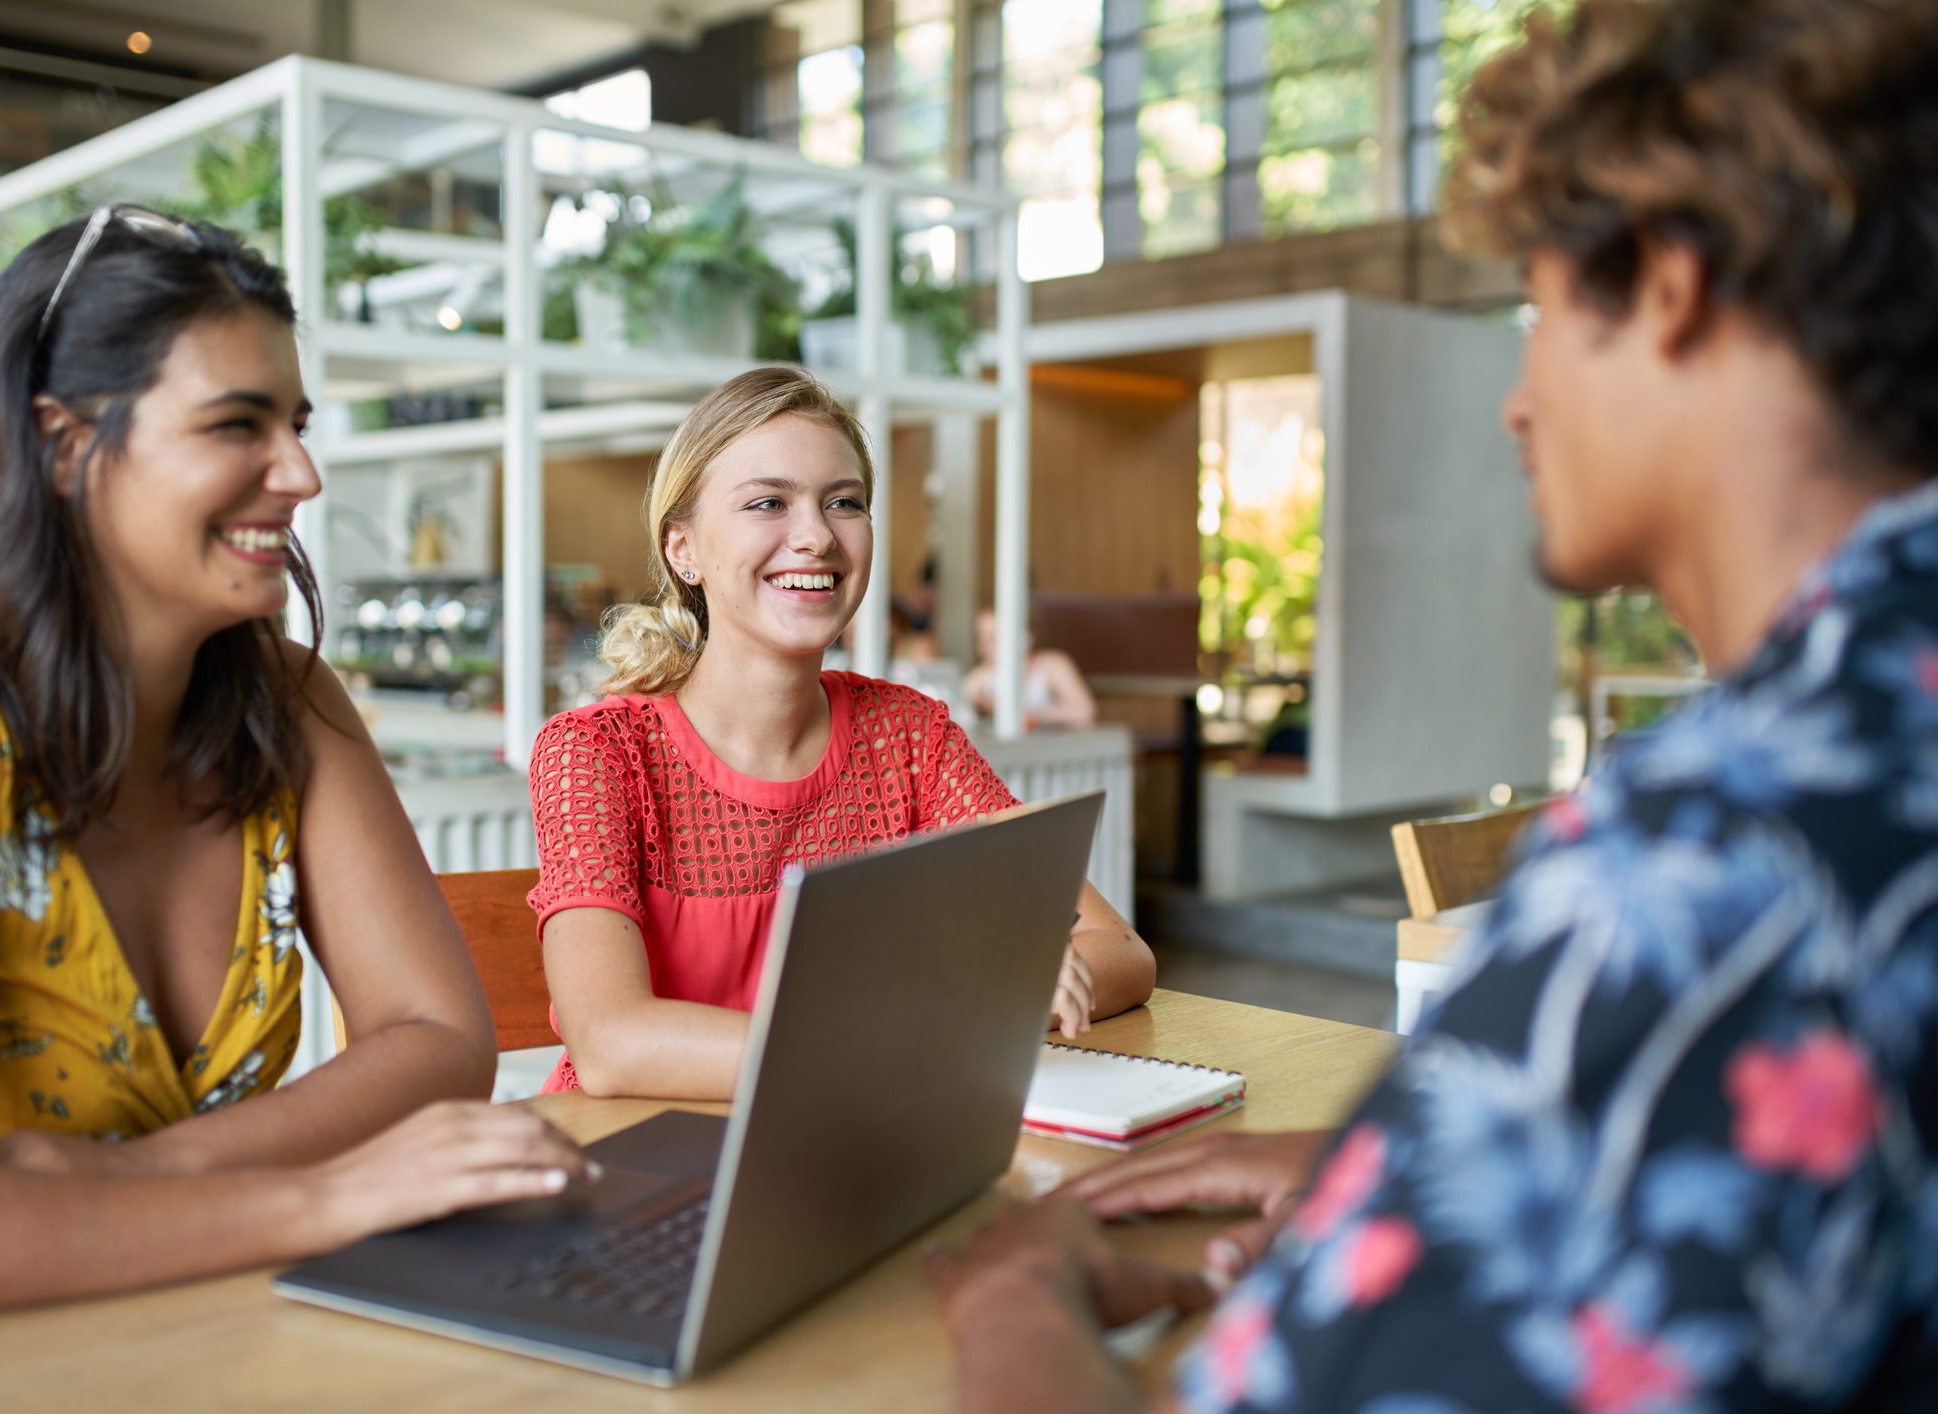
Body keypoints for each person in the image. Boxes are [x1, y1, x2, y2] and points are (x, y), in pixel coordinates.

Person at [929, 1, 1938, 1409]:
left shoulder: (1720, 847)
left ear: (1671, 280)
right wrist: (1428, 1166)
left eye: (1540, 308)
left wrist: (1015, 1293)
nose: (1518, 402)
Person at [0, 206, 589, 1329]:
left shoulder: (286, 703)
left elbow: (440, 1040)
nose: (303, 474)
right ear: (65, 446)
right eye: (239, 424)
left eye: (297, 422)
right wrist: (319, 1192)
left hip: (222, 1344)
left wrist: (141, 1180)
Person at [526, 367, 1156, 1099]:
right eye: (768, 502)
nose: (817, 536)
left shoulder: (907, 736)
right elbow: (613, 1047)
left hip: (850, 1150)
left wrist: (1014, 975)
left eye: (844, 503)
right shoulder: (595, 751)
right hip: (636, 1157)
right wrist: (924, 1027)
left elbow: (1118, 951)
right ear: (682, 550)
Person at [964, 607, 1097, 730]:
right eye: (982, 637)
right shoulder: (983, 674)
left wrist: (1029, 715)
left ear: (1025, 638)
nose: (984, 646)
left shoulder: (1052, 664)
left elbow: (1084, 710)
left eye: (994, 638)